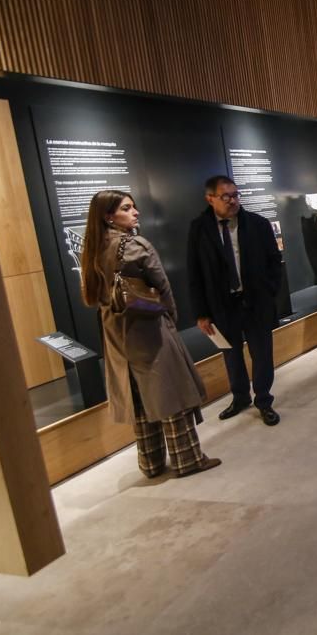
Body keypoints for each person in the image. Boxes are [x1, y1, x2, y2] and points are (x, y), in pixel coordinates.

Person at [79, 190, 220, 478]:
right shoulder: (135, 246)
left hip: (115, 334)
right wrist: (170, 317)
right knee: (170, 392)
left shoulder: (92, 248)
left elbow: (92, 296)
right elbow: (162, 287)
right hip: (148, 328)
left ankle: (151, 463)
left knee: (139, 398)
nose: (136, 212)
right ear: (109, 216)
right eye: (127, 208)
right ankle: (187, 460)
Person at [187, 175, 283, 427]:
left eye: (235, 195)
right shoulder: (199, 229)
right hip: (222, 305)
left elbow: (275, 262)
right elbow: (194, 272)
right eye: (226, 196)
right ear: (210, 199)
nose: (233, 201)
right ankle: (240, 397)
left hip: (256, 302)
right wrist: (201, 313)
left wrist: (269, 291)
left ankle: (264, 400)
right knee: (231, 355)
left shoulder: (258, 224)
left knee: (262, 354)